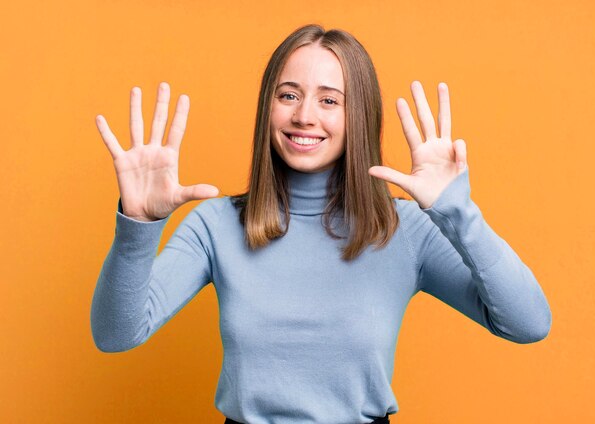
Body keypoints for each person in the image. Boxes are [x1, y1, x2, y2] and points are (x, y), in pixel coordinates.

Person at [91, 24, 552, 424]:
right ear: (267, 108)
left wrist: (459, 215)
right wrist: (137, 226)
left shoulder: (403, 229)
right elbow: (116, 335)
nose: (304, 115)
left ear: (358, 117)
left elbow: (527, 323)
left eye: (329, 100)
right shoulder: (216, 224)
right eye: (288, 94)